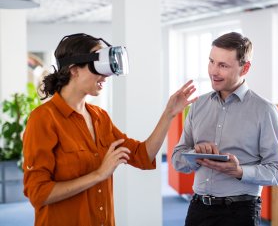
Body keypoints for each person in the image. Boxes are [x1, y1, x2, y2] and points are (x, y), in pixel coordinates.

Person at [22, 33, 197, 226]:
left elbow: (142, 155)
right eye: (97, 67)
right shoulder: (43, 119)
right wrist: (98, 175)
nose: (105, 76)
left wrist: (169, 114)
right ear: (73, 70)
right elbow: (38, 193)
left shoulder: (99, 117)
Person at [171, 32, 278, 226]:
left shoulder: (264, 110)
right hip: (198, 209)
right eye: (211, 62)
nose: (213, 71)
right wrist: (195, 154)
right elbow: (177, 160)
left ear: (245, 68)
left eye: (223, 65)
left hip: (239, 213)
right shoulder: (198, 106)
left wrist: (240, 171)